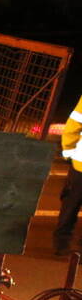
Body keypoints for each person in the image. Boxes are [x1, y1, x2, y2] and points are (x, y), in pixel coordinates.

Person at [54, 94, 82, 256]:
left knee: (70, 206)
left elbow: (73, 125)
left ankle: (61, 244)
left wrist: (69, 152)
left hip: (79, 165)